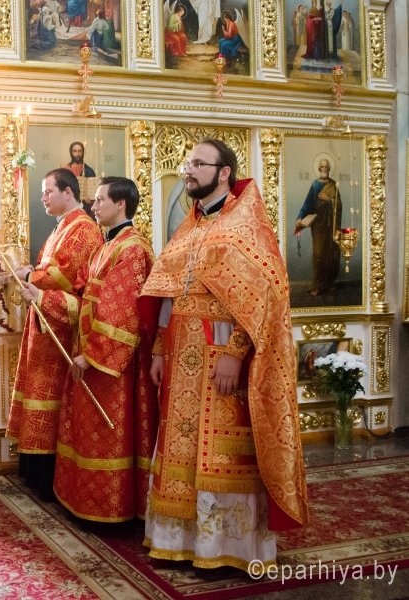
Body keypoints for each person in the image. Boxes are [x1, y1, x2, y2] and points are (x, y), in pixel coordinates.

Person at [140, 139, 309, 572]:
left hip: (221, 354)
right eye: (188, 163)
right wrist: (158, 349)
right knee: (179, 447)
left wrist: (235, 352)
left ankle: (225, 547)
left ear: (224, 172)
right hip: (181, 357)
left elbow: (263, 296)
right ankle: (178, 541)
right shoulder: (189, 226)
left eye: (199, 163)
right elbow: (168, 294)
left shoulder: (246, 224)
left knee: (220, 452)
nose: (189, 170)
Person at [24, 177, 159, 523]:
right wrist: (42, 294)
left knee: (108, 433)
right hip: (87, 350)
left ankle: (110, 509)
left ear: (121, 204)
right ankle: (84, 502)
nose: (94, 206)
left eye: (100, 200)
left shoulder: (132, 249)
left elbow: (122, 313)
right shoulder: (106, 246)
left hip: (114, 365)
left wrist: (93, 355)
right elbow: (81, 294)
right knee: (87, 432)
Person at [5, 168, 103, 499]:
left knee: (50, 396)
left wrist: (29, 275)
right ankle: (34, 470)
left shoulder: (83, 229)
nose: (43, 198)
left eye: (48, 191)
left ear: (68, 192)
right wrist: (32, 274)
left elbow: (62, 276)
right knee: (38, 390)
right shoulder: (63, 226)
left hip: (62, 326)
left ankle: (47, 475)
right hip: (46, 323)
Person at [294, 157, 342, 296]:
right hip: (319, 226)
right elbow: (308, 203)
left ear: (329, 169)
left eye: (326, 166)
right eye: (322, 166)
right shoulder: (315, 185)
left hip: (331, 226)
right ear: (319, 168)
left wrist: (329, 200)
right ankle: (317, 285)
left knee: (331, 253)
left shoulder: (333, 185)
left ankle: (329, 283)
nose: (324, 168)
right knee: (319, 254)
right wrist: (300, 217)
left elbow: (339, 204)